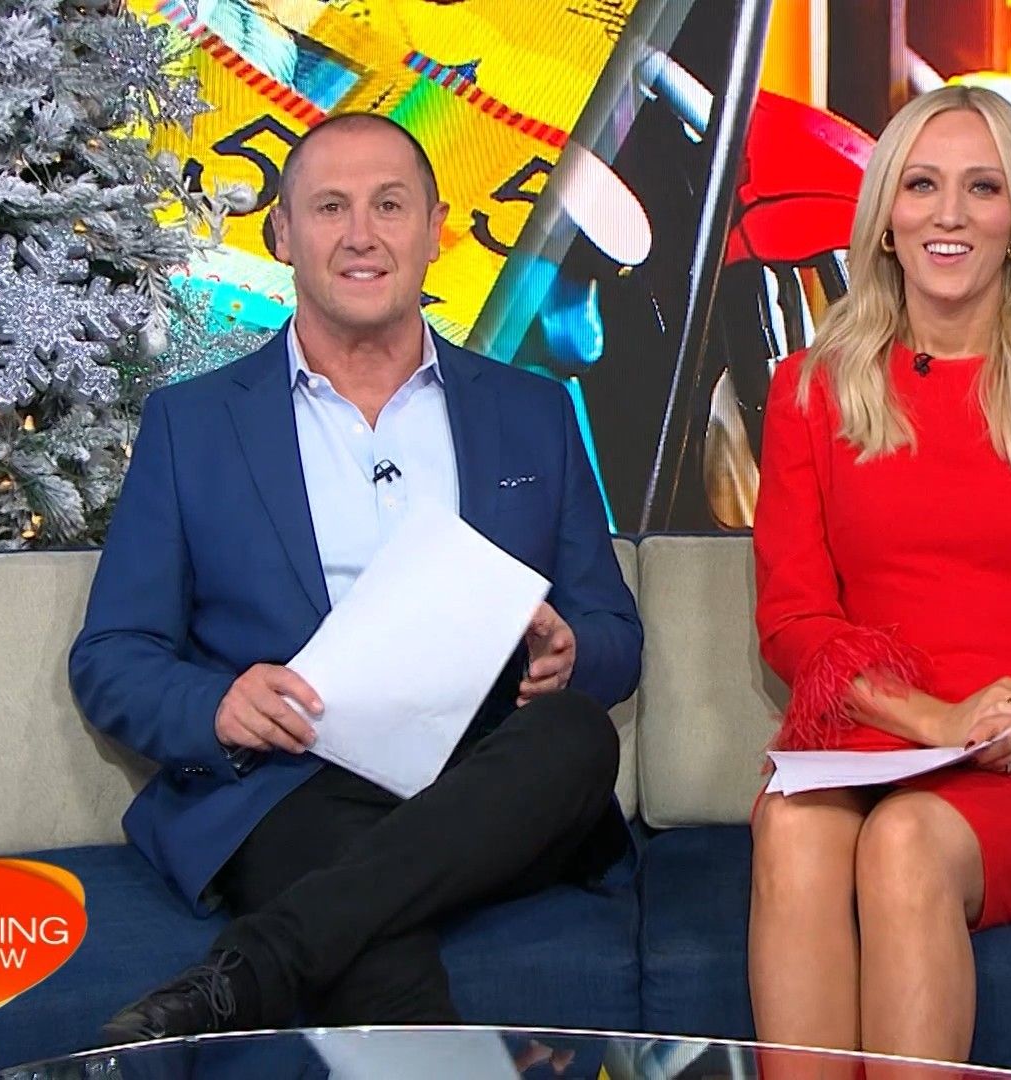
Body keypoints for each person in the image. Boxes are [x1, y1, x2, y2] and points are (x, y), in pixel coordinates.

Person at [68, 111, 642, 1043]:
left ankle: (254, 968)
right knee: (364, 926)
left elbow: (616, 632)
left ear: (436, 230)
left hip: (489, 780)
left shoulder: (532, 412)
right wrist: (220, 706)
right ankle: (289, 956)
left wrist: (572, 655)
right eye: (331, 207)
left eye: (389, 206)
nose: (362, 235)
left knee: (575, 736)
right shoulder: (191, 425)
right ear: (283, 234)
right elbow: (113, 654)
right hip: (293, 784)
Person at [747, 84, 1011, 1065]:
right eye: (922, 186)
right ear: (885, 218)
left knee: (906, 841)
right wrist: (939, 722)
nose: (949, 214)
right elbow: (796, 621)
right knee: (793, 823)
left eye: (982, 188)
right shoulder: (810, 389)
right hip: (881, 734)